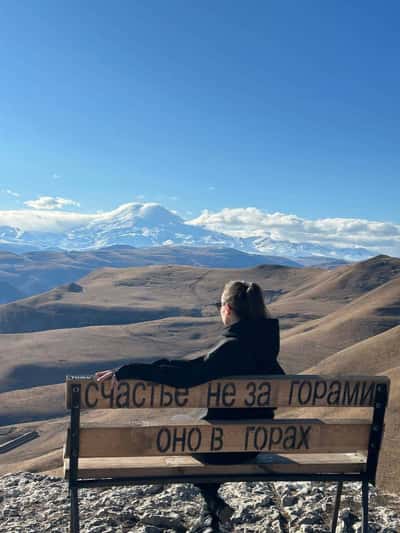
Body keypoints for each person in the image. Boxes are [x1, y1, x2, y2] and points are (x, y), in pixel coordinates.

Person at [95, 280, 285, 533]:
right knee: (203, 435)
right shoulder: (267, 346)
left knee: (184, 437)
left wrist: (130, 371)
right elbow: (202, 366)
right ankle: (212, 514)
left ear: (227, 309)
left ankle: (214, 506)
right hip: (256, 443)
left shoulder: (232, 347)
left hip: (223, 447)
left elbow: (187, 376)